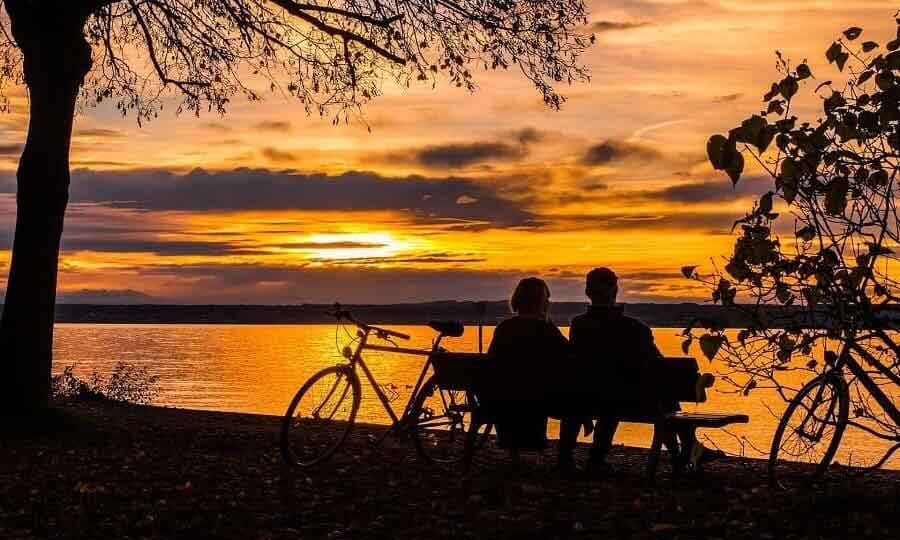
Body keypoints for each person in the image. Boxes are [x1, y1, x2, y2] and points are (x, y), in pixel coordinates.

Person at [558, 267, 722, 473]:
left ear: (587, 292)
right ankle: (686, 450)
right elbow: (660, 366)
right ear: (614, 290)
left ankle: (684, 451)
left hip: (587, 398)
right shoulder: (634, 328)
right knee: (663, 393)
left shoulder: (578, 325)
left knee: (652, 395)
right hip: (629, 401)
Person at [486, 277, 570, 457]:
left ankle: (514, 447)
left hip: (503, 396)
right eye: (547, 298)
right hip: (537, 396)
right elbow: (568, 355)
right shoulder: (546, 329)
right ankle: (563, 456)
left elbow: (490, 361)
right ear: (542, 302)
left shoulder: (505, 327)